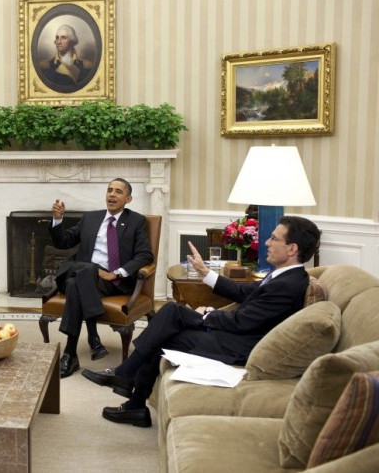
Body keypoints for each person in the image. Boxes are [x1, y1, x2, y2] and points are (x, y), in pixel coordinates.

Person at [82, 216, 321, 427]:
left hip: (240, 346)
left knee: (169, 322)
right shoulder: (284, 277)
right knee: (170, 317)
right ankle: (130, 392)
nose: (267, 243)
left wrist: (207, 313)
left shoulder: (288, 284)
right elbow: (244, 294)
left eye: (273, 238)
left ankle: (129, 386)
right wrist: (205, 272)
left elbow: (242, 321)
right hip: (237, 337)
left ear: (292, 249)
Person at [50, 178, 153, 378]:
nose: (112, 194)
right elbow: (63, 242)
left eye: (118, 191)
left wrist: (116, 273)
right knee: (83, 274)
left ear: (128, 198)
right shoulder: (90, 218)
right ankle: (89, 343)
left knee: (74, 282)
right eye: (109, 190)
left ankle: (72, 353)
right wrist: (58, 220)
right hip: (90, 278)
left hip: (113, 282)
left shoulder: (136, 221)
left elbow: (145, 255)